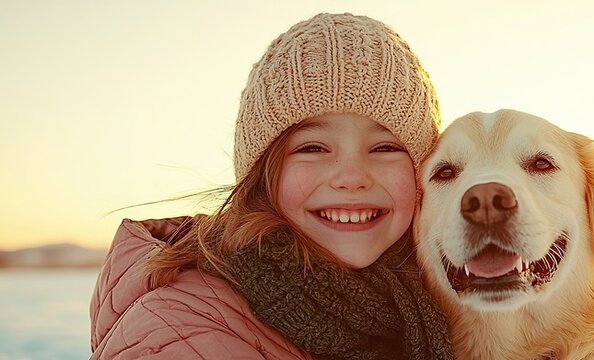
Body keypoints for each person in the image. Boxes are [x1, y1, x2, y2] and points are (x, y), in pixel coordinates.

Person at [89, 13, 454, 359]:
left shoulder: (441, 300)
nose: (352, 177)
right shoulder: (183, 329)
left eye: (385, 148)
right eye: (313, 148)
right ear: (262, 175)